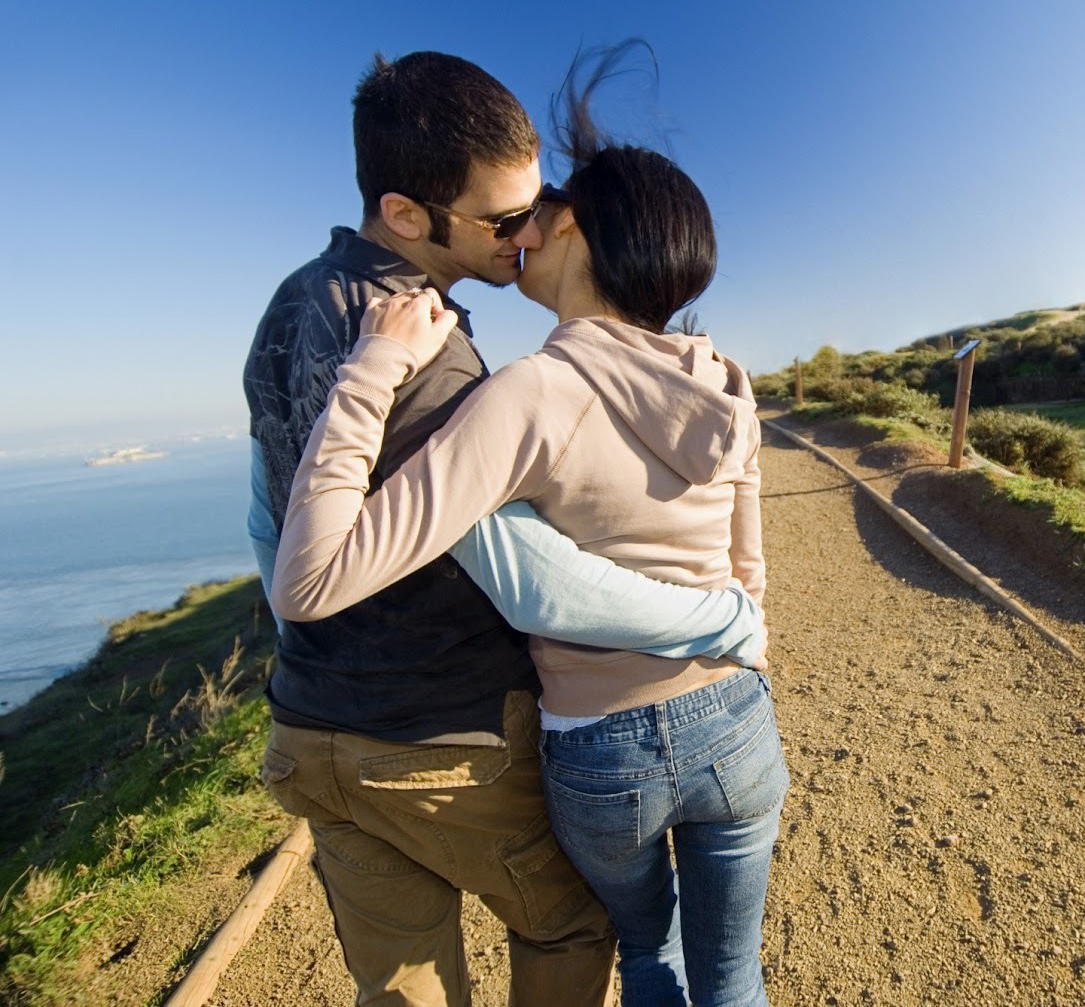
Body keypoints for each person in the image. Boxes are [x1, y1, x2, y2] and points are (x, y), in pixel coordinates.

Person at [242, 50, 767, 1007]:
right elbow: (535, 580)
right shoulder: (433, 360)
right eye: (502, 217)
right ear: (407, 215)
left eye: (535, 209)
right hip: (443, 732)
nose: (522, 232)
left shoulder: (286, 311)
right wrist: (727, 623)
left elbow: (261, 519)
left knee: (400, 987)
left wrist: (303, 669)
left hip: (310, 722)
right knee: (580, 928)